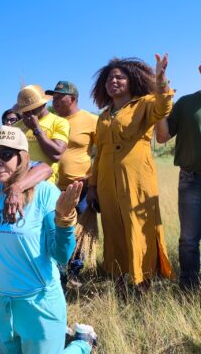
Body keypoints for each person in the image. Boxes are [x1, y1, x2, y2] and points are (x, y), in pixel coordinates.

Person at [0, 125, 96, 354]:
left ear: (23, 157)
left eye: (5, 154)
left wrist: (64, 221)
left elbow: (61, 254)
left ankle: (83, 344)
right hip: (0, 304)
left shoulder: (44, 194)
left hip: (38, 303)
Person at [88, 54, 174, 289]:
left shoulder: (144, 103)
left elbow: (164, 104)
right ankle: (119, 280)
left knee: (139, 227)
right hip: (107, 182)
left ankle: (143, 281)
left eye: (119, 77)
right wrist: (93, 186)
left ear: (131, 80)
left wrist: (161, 77)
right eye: (109, 79)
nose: (113, 81)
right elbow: (99, 153)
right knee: (113, 228)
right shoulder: (104, 116)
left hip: (137, 179)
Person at [46, 81, 99, 287]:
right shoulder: (51, 121)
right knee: (55, 228)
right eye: (54, 97)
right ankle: (57, 271)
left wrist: (91, 179)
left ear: (73, 99)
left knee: (80, 231)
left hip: (82, 188)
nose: (55, 101)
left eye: (60, 97)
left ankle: (74, 272)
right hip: (53, 188)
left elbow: (102, 152)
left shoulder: (91, 120)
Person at [155, 64, 201, 290]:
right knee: (189, 241)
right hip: (192, 182)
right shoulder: (185, 104)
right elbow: (162, 136)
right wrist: (159, 105)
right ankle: (189, 288)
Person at [14, 85, 70, 184]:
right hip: (19, 182)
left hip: (45, 183)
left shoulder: (59, 122)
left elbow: (56, 155)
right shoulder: (16, 127)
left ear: (43, 104)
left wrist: (36, 129)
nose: (28, 111)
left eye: (32, 107)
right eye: (25, 109)